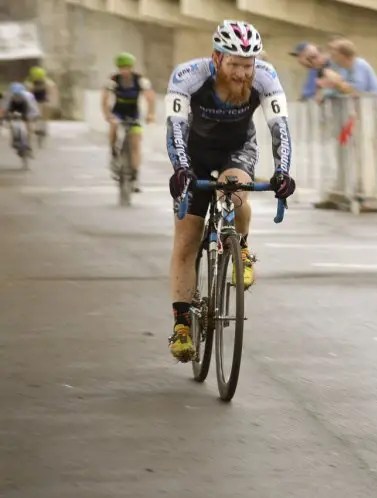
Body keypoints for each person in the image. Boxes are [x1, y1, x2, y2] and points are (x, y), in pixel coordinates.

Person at [164, 20, 296, 362]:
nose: (242, 72)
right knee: (187, 237)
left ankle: (242, 248)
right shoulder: (189, 76)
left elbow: (279, 126)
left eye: (248, 64)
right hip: (194, 151)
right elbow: (175, 127)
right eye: (235, 64)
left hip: (237, 148)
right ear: (217, 58)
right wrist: (180, 169)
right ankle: (181, 325)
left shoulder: (265, 77)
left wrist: (282, 172)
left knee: (236, 193)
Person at [101, 52, 156, 192]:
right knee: (113, 126)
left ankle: (135, 177)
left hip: (134, 115)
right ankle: (113, 151)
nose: (124, 70)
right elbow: (105, 100)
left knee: (136, 143)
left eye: (127, 67)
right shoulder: (113, 80)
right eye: (122, 67)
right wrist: (108, 115)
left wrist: (150, 114)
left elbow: (150, 97)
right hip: (117, 113)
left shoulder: (140, 80)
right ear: (118, 68)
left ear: (132, 67)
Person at [0, 82, 40, 153]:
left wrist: (33, 116)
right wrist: (4, 117)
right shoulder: (9, 96)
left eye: (18, 94)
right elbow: (5, 108)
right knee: (12, 123)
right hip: (13, 107)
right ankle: (15, 139)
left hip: (26, 108)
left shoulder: (28, 96)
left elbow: (33, 108)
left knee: (29, 127)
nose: (17, 95)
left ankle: (28, 143)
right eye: (15, 94)